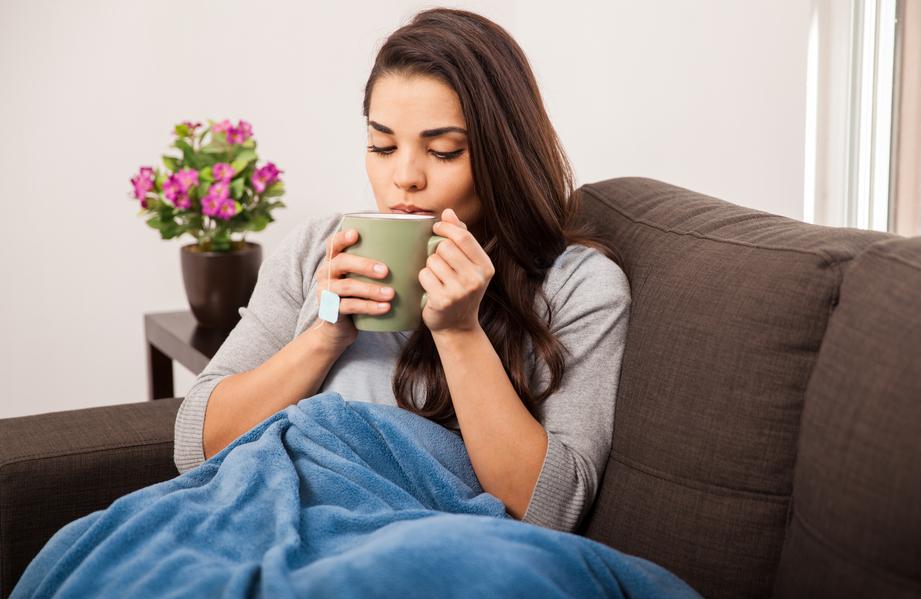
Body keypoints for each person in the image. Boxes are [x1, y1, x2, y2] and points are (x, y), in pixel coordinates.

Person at [174, 7, 631, 534]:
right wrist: (324, 334)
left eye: (443, 151)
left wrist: (460, 332)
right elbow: (196, 445)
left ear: (503, 154)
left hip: (421, 549)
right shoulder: (317, 250)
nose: (404, 177)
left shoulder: (578, 286)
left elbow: (552, 509)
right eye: (382, 146)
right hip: (267, 521)